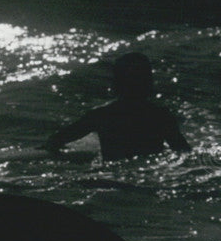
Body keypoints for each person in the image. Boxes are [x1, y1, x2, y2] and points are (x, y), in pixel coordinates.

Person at [44, 52, 190, 162]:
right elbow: (184, 152)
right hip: (150, 174)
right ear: (149, 84)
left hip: (110, 176)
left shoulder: (101, 116)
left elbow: (56, 140)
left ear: (115, 84)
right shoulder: (161, 116)